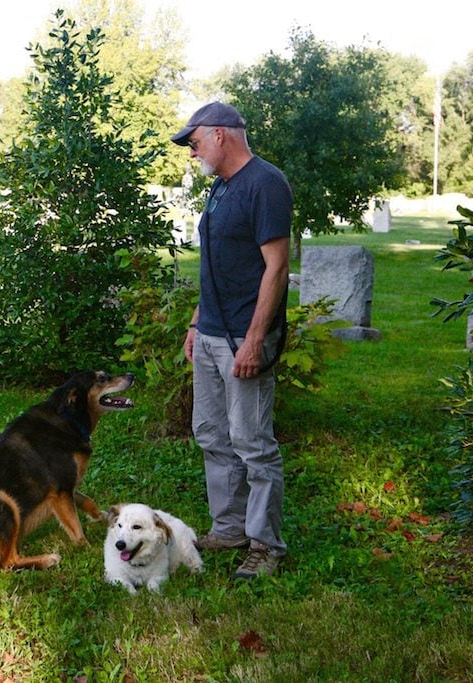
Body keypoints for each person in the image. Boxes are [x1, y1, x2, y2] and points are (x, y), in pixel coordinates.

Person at [170, 102, 292, 579]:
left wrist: (255, 339)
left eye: (194, 140)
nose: (192, 150)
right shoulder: (220, 189)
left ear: (221, 135)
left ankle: (266, 546)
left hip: (245, 334)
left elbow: (276, 268)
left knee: (252, 442)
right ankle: (230, 528)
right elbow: (215, 264)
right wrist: (198, 323)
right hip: (213, 333)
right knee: (212, 434)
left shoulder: (265, 183)